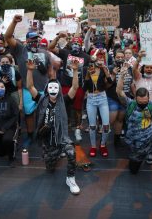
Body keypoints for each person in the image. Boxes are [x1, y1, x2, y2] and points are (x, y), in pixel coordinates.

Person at [26, 58, 81, 195]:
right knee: (50, 168)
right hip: (48, 140)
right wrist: (29, 70)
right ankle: (54, 156)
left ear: (59, 89)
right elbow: (30, 87)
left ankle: (71, 179)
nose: (53, 89)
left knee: (71, 153)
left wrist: (75, 71)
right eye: (50, 87)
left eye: (55, 87)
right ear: (46, 89)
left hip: (62, 137)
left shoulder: (64, 100)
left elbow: (75, 88)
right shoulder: (41, 99)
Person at [116, 70, 152, 191]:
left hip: (150, 141)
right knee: (133, 171)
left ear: (148, 98)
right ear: (135, 98)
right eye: (140, 102)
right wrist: (121, 77)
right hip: (136, 146)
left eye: (145, 102)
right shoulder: (130, 104)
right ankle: (137, 161)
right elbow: (119, 91)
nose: (143, 104)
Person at [4, 14, 52, 147]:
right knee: (29, 114)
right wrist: (14, 22)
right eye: (32, 39)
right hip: (27, 89)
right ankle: (31, 136)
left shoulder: (45, 52)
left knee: (45, 114)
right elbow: (7, 37)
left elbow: (50, 70)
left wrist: (53, 82)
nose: (34, 41)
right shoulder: (20, 49)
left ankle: (44, 135)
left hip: (44, 88)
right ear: (26, 40)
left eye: (36, 39)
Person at [48, 34, 90, 141]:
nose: (76, 45)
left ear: (81, 44)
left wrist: (87, 89)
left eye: (78, 43)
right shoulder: (66, 52)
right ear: (71, 44)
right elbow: (50, 48)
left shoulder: (86, 56)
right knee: (63, 107)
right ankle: (64, 129)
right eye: (74, 43)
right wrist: (57, 38)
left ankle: (77, 129)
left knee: (77, 108)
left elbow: (88, 73)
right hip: (66, 84)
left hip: (79, 86)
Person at [83, 49, 113, 157]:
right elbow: (84, 88)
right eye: (97, 57)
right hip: (91, 98)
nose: (99, 59)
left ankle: (103, 144)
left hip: (102, 97)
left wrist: (105, 69)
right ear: (93, 58)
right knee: (92, 126)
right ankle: (93, 146)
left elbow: (110, 82)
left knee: (106, 125)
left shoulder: (104, 68)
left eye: (101, 57)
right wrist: (87, 74)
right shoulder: (87, 69)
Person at [106, 49, 135, 146]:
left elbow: (131, 84)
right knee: (111, 120)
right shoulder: (110, 68)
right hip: (112, 98)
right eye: (118, 57)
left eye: (122, 57)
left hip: (124, 98)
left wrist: (135, 96)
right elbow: (107, 86)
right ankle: (103, 141)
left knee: (120, 120)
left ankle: (117, 140)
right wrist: (113, 74)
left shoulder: (129, 68)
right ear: (114, 58)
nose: (120, 59)